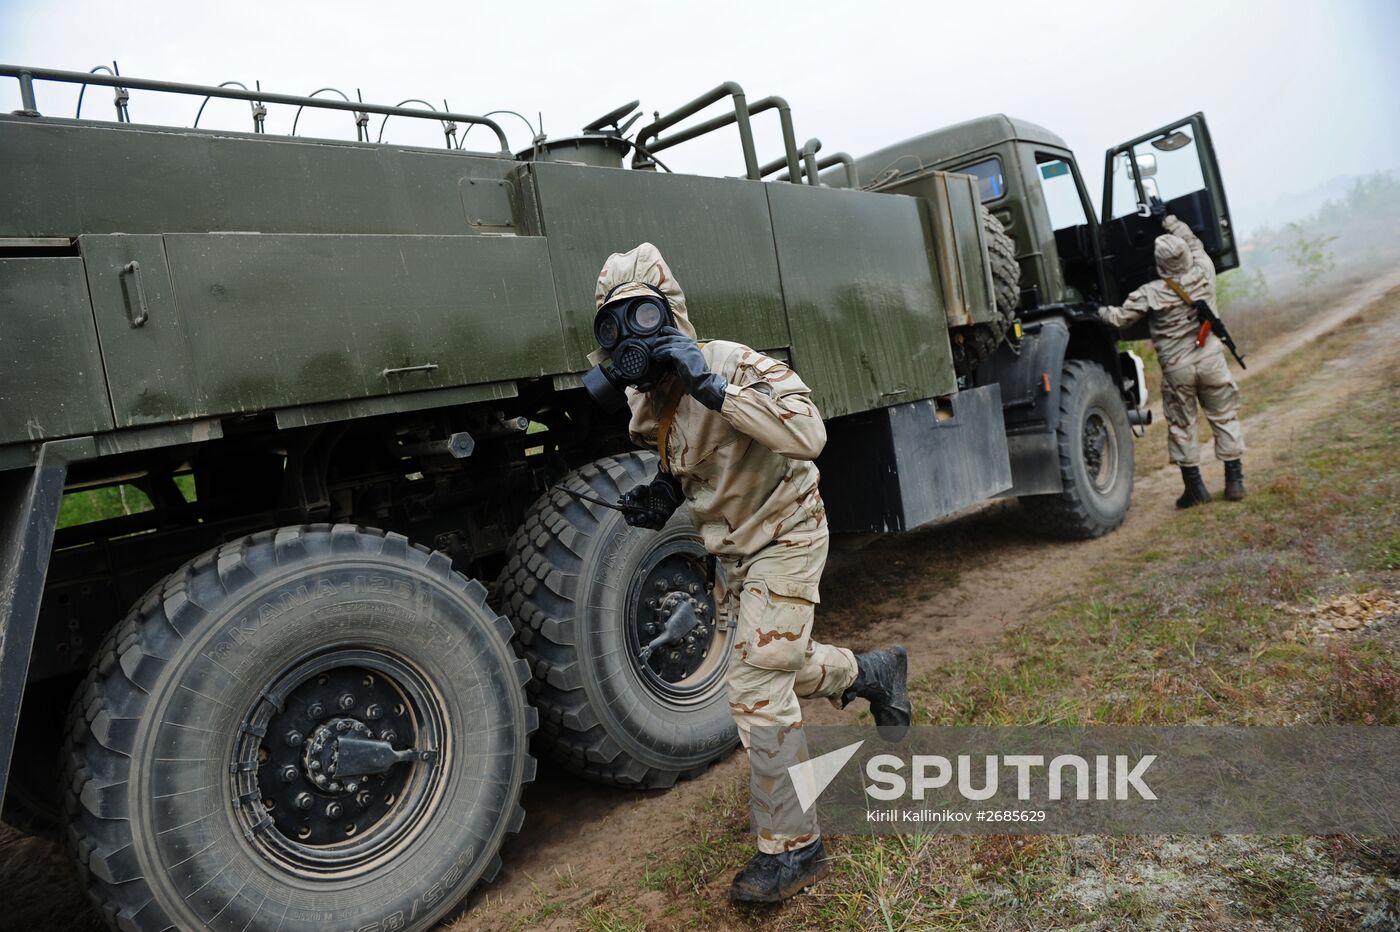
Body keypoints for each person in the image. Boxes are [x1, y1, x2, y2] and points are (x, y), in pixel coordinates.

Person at [591, 243, 911, 904]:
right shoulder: (649, 403)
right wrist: (665, 493)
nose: (629, 338)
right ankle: (871, 674)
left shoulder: (731, 363)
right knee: (772, 660)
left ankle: (796, 847)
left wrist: (716, 387)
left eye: (641, 316)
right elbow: (697, 458)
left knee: (755, 682)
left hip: (788, 531)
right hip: (735, 547)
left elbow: (808, 434)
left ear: (670, 314)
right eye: (612, 324)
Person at [1098, 204, 1246, 506]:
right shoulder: (1204, 270)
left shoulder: (1150, 293)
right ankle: (1234, 481)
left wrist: (1094, 310)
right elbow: (1193, 241)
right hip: (1212, 362)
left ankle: (1195, 489)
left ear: (1160, 263)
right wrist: (1166, 217)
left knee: (1182, 426)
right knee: (1224, 417)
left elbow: (1116, 318)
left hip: (1178, 372)